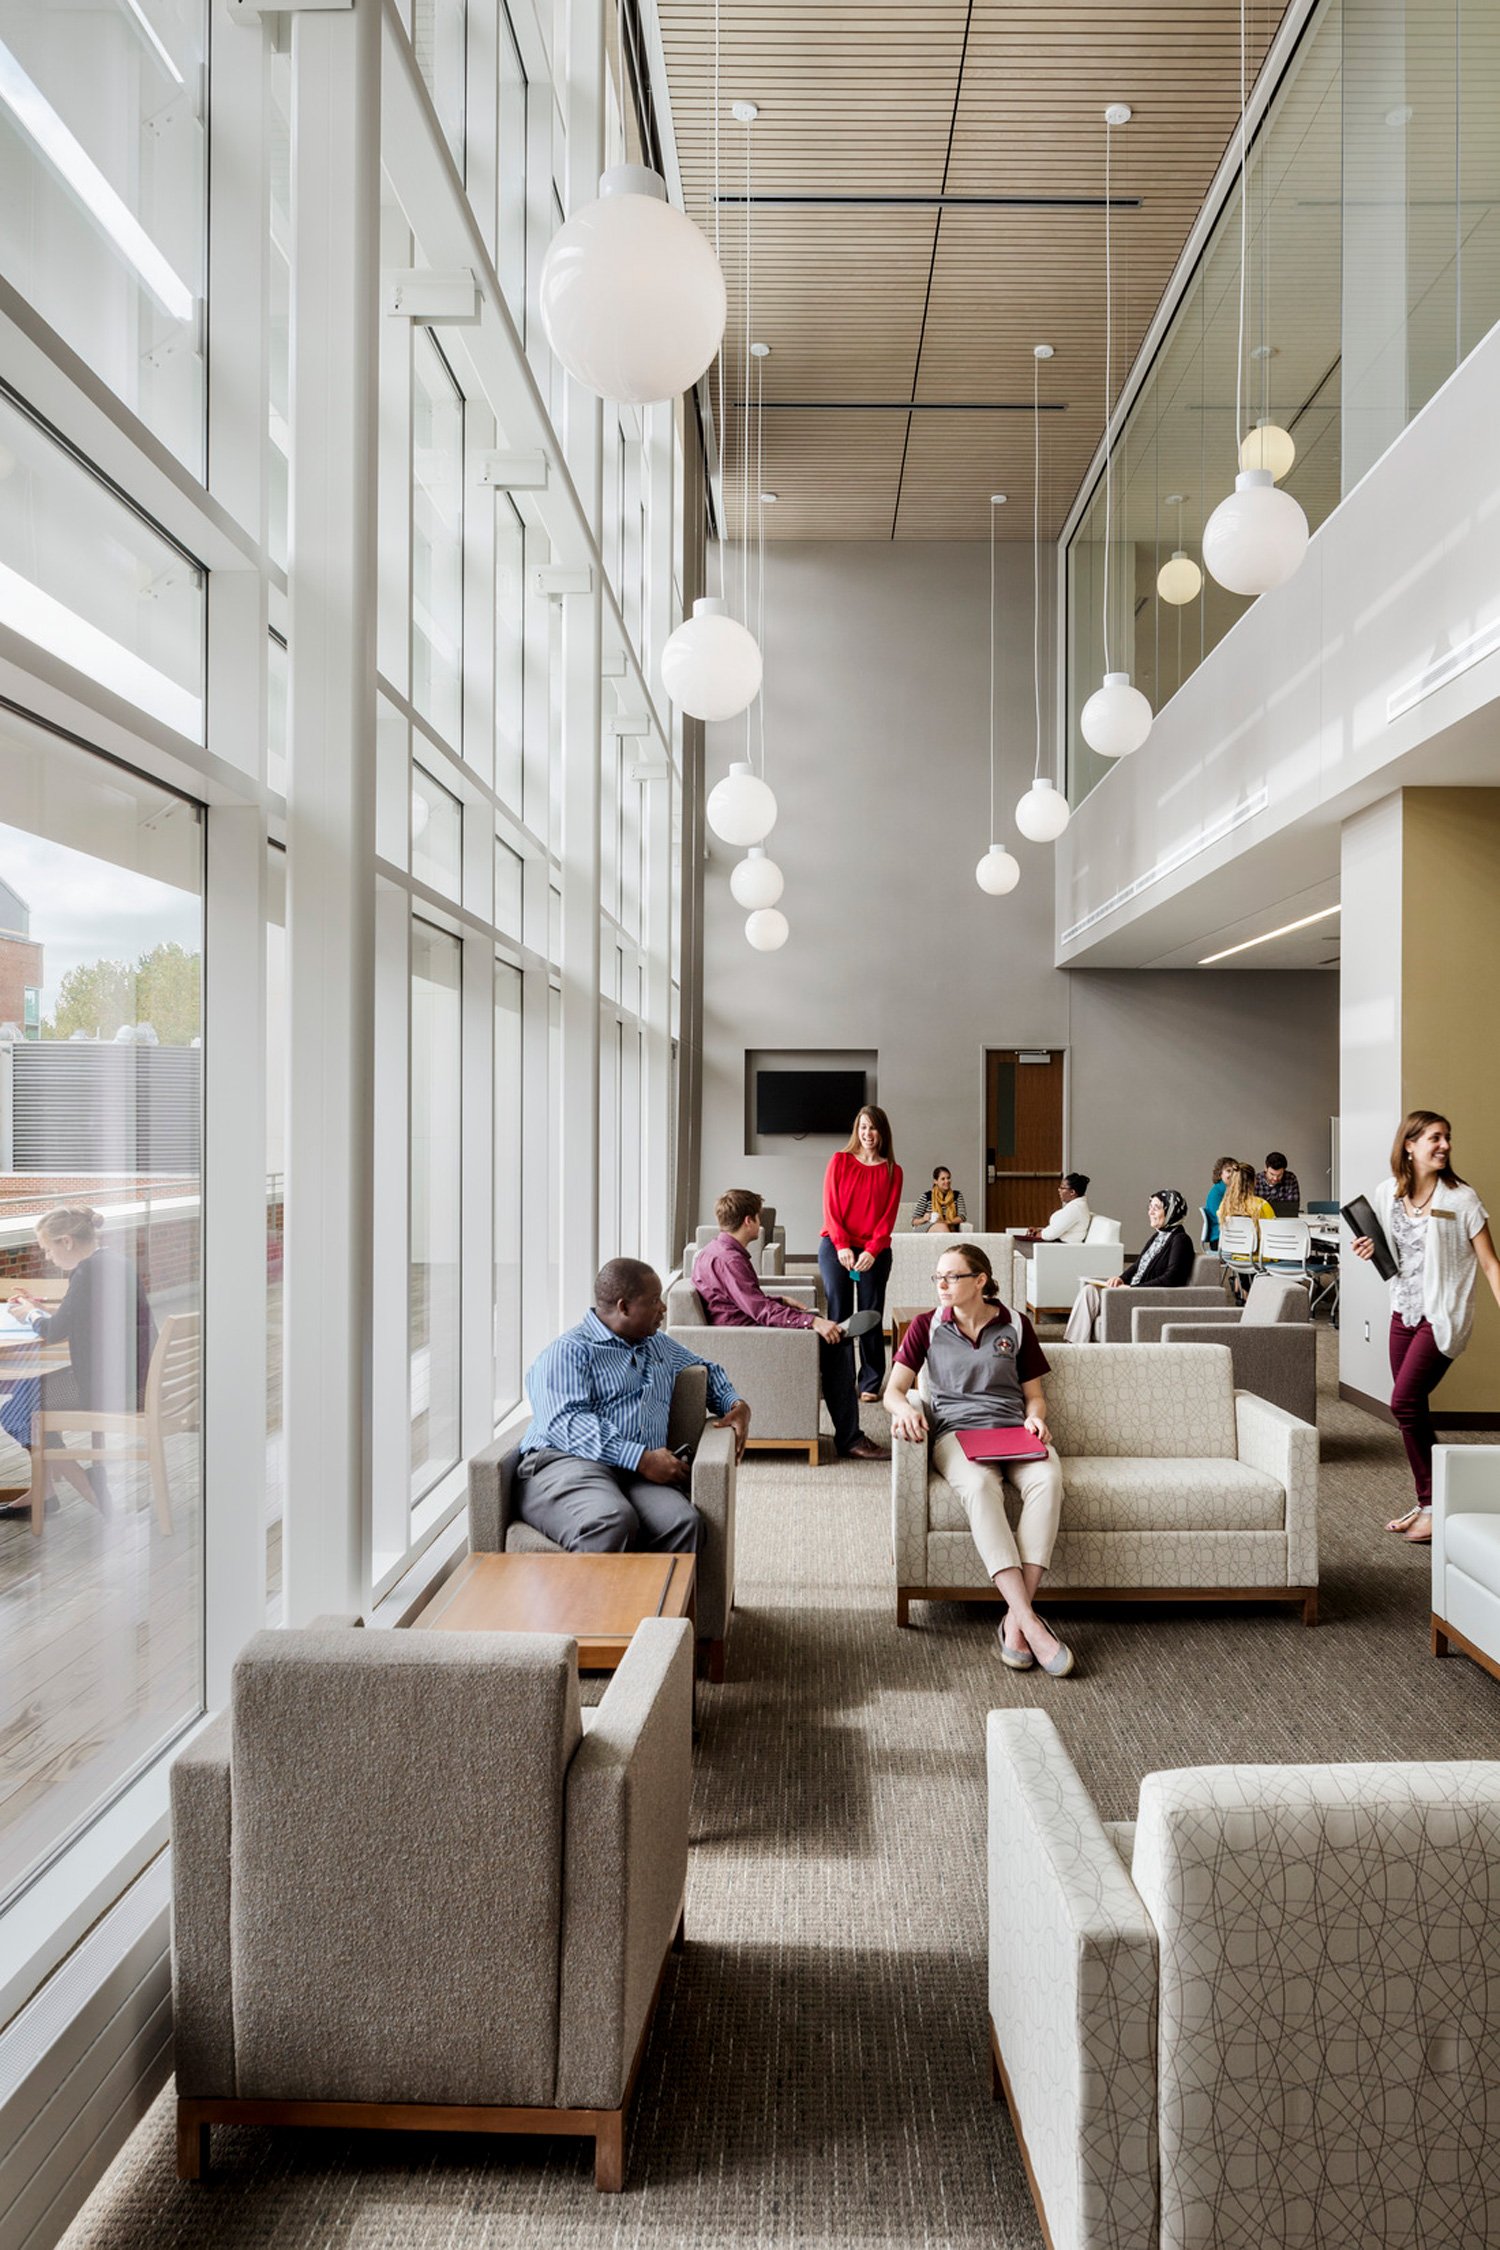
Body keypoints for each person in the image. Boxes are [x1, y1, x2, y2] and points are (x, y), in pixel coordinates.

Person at [884, 1241, 1073, 1676]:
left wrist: (1036, 1421)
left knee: (1048, 1478)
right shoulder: (926, 1326)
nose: (942, 1285)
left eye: (952, 1277)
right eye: (938, 1277)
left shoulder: (1016, 1325)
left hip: (1013, 1431)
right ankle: (1029, 1622)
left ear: (980, 1281)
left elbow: (1035, 1397)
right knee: (978, 1487)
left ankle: (1015, 1619)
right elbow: (893, 1391)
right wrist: (907, 1409)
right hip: (957, 1435)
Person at [517, 1258, 750, 1552]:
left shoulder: (657, 1345)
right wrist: (640, 1458)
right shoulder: (568, 1351)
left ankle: (663, 1600)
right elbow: (567, 1423)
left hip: (635, 1474)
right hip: (566, 1461)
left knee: (683, 1523)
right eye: (654, 1301)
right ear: (623, 1307)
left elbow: (707, 1371)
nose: (663, 1308)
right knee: (611, 1521)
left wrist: (736, 1404)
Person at [1351, 1110, 1500, 1543]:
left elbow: (1490, 1265)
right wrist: (1368, 1247)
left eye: (1447, 1138)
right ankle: (1431, 1501)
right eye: (1435, 1138)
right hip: (1402, 1312)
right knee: (1411, 1412)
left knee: (1404, 1403)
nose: (1445, 1146)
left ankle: (1436, 1504)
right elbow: (1385, 1253)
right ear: (1409, 1145)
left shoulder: (1461, 1199)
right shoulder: (1387, 1194)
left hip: (1442, 1317)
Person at [693, 1190, 888, 1461]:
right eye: (758, 1219)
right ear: (748, 1221)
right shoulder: (730, 1259)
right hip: (752, 1337)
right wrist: (812, 1321)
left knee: (827, 1332)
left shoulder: (712, 1251)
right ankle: (851, 1439)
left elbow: (738, 1300)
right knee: (835, 1342)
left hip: (743, 1327)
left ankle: (834, 1336)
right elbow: (760, 1312)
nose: (760, 1225)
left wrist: (779, 1299)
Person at [1, 1205, 157, 1518]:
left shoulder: (87, 1271)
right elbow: (82, 1319)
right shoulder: (114, 1261)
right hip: (133, 1378)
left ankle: (86, 1487)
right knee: (25, 1394)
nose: (48, 1257)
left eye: (48, 1249)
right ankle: (43, 1492)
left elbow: (54, 1330)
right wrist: (39, 1309)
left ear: (67, 1241)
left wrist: (28, 1313)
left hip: (112, 1387)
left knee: (17, 1410)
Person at [820, 1104, 903, 1404]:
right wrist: (842, 1245)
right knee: (840, 1314)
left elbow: (887, 1219)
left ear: (883, 1133)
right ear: (857, 1130)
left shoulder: (893, 1170)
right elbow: (831, 1209)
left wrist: (871, 1250)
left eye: (874, 1128)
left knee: (869, 1313)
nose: (868, 1133)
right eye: (863, 1127)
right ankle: (838, 1379)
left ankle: (870, 1380)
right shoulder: (840, 1161)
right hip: (835, 1246)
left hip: (874, 1251)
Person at [1064, 1189, 1194, 1342]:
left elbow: (1173, 1278)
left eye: (1157, 1208)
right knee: (1089, 1291)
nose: (1150, 1212)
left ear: (1172, 1212)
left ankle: (1076, 1348)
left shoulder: (1181, 1240)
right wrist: (1121, 1279)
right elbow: (1137, 1266)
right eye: (1150, 1207)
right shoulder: (1158, 1236)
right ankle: (1074, 1346)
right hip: (1133, 1291)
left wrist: (1134, 1289)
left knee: (1090, 1294)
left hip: (1146, 1296)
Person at [1217, 1162, 1275, 1296]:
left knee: (1246, 1257)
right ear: (1254, 1181)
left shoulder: (1225, 1206)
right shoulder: (1261, 1205)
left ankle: (1245, 1291)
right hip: (1259, 1257)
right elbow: (1272, 1231)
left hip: (1235, 1256)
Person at [1034, 1173, 1092, 1242]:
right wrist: (1041, 1231)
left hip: (1062, 1248)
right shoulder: (1076, 1206)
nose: (1059, 1190)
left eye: (1062, 1188)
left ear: (1072, 1192)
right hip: (1058, 1245)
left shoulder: (1075, 1208)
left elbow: (1050, 1235)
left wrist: (1037, 1234)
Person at [911, 1166, 967, 1233]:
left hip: (949, 1225)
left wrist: (946, 1222)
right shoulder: (926, 1196)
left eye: (948, 1178)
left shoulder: (957, 1195)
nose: (947, 1181)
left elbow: (962, 1217)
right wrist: (924, 1219)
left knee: (943, 1226)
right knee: (942, 1227)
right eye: (943, 1179)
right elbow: (914, 1221)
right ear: (935, 1181)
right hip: (927, 1226)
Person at [1202, 1156, 1239, 1250]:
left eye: (1235, 1171)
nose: (1232, 1174)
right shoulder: (1217, 1192)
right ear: (1220, 1174)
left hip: (1229, 1235)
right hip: (1220, 1237)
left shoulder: (1231, 1190)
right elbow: (1220, 1217)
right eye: (1228, 1171)